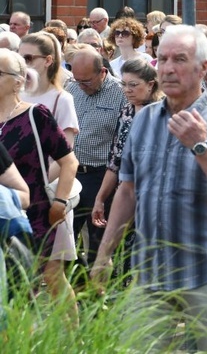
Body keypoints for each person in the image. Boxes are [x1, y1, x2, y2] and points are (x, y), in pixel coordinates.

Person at [92, 25, 207, 352]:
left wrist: (202, 147)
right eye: (162, 59)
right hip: (152, 270)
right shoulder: (145, 120)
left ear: (203, 68)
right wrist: (104, 254)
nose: (168, 67)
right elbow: (127, 191)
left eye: (179, 59)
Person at [0, 48, 79, 325]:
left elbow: (69, 162)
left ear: (18, 81)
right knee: (13, 285)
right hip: (4, 217)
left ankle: (73, 340)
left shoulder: (36, 115)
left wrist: (59, 203)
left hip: (37, 214)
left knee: (50, 277)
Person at [20, 32, 80, 265]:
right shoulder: (15, 96)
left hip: (47, 194)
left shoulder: (61, 99)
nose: (23, 65)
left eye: (28, 58)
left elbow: (66, 155)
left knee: (53, 273)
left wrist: (31, 183)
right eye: (20, 58)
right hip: (18, 193)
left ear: (47, 60)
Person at [65, 45, 126, 267]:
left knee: (98, 242)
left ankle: (98, 295)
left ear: (102, 72)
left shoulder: (120, 93)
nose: (81, 86)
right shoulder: (72, 89)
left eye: (87, 81)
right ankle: (72, 291)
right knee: (64, 239)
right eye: (77, 80)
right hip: (71, 173)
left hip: (101, 176)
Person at [91, 58, 163, 245]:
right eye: (124, 84)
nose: (127, 89)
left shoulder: (162, 113)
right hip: (125, 195)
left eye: (133, 85)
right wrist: (100, 198)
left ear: (150, 85)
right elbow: (115, 160)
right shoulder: (126, 111)